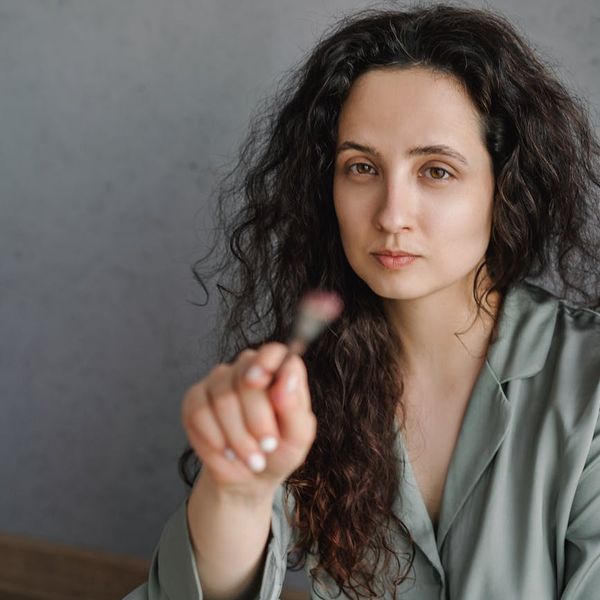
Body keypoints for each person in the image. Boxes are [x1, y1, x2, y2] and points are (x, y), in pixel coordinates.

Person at [124, 3, 600, 599]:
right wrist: (237, 492)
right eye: (361, 167)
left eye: (436, 171)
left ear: (505, 187)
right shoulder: (303, 384)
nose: (391, 214)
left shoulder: (590, 382)